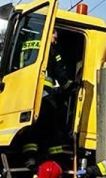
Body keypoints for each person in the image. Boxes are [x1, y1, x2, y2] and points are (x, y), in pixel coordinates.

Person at [18, 28, 75, 170]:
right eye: (54, 33)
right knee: (52, 126)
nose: (56, 37)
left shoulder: (25, 46)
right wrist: (70, 87)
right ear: (47, 31)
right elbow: (60, 73)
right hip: (44, 95)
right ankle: (57, 160)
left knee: (30, 126)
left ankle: (30, 157)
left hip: (24, 94)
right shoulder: (50, 49)